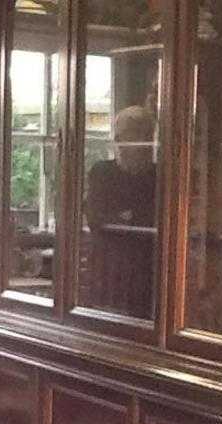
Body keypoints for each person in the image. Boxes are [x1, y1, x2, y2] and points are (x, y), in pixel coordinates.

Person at [83, 106, 157, 318]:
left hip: (148, 276)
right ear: (119, 140)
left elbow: (155, 221)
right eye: (136, 134)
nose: (144, 143)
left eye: (148, 135)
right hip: (110, 274)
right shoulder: (102, 173)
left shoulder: (159, 176)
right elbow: (96, 219)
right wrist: (132, 219)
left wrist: (126, 218)